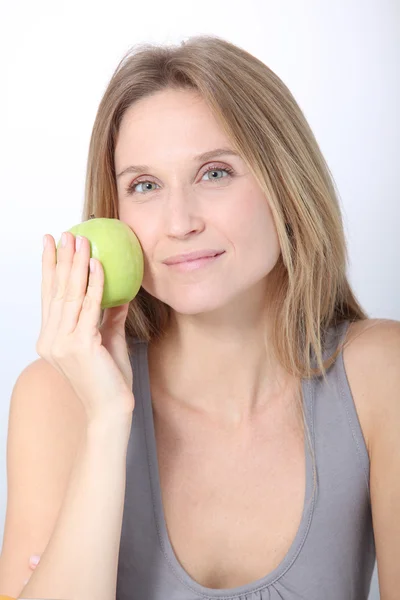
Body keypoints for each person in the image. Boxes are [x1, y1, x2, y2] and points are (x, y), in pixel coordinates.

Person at [0, 34, 399, 600]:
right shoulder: (55, 396)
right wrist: (108, 419)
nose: (179, 221)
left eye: (214, 173)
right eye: (145, 185)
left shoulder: (380, 376)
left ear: (285, 184)